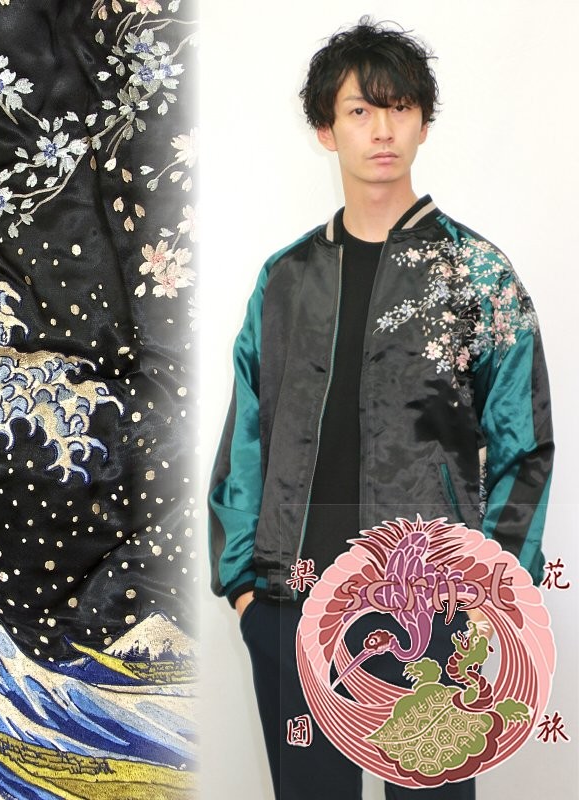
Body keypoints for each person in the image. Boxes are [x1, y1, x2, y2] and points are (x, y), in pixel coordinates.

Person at [207, 16, 554, 800]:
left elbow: (525, 447)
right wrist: (246, 588)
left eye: (398, 107)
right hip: (294, 604)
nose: (382, 129)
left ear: (424, 122)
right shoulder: (285, 280)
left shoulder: (478, 275)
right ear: (325, 130)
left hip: (435, 615)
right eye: (359, 110)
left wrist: (492, 596)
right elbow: (247, 433)